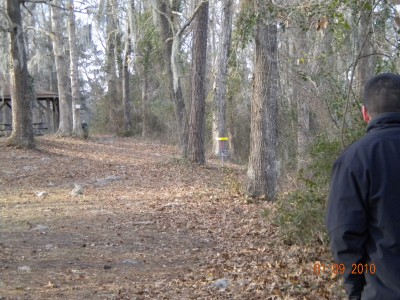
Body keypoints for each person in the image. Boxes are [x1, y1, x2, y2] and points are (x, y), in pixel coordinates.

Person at [326, 73, 400, 299]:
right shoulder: (355, 160)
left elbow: (342, 236)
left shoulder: (354, 160)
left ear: (365, 113)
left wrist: (355, 290)